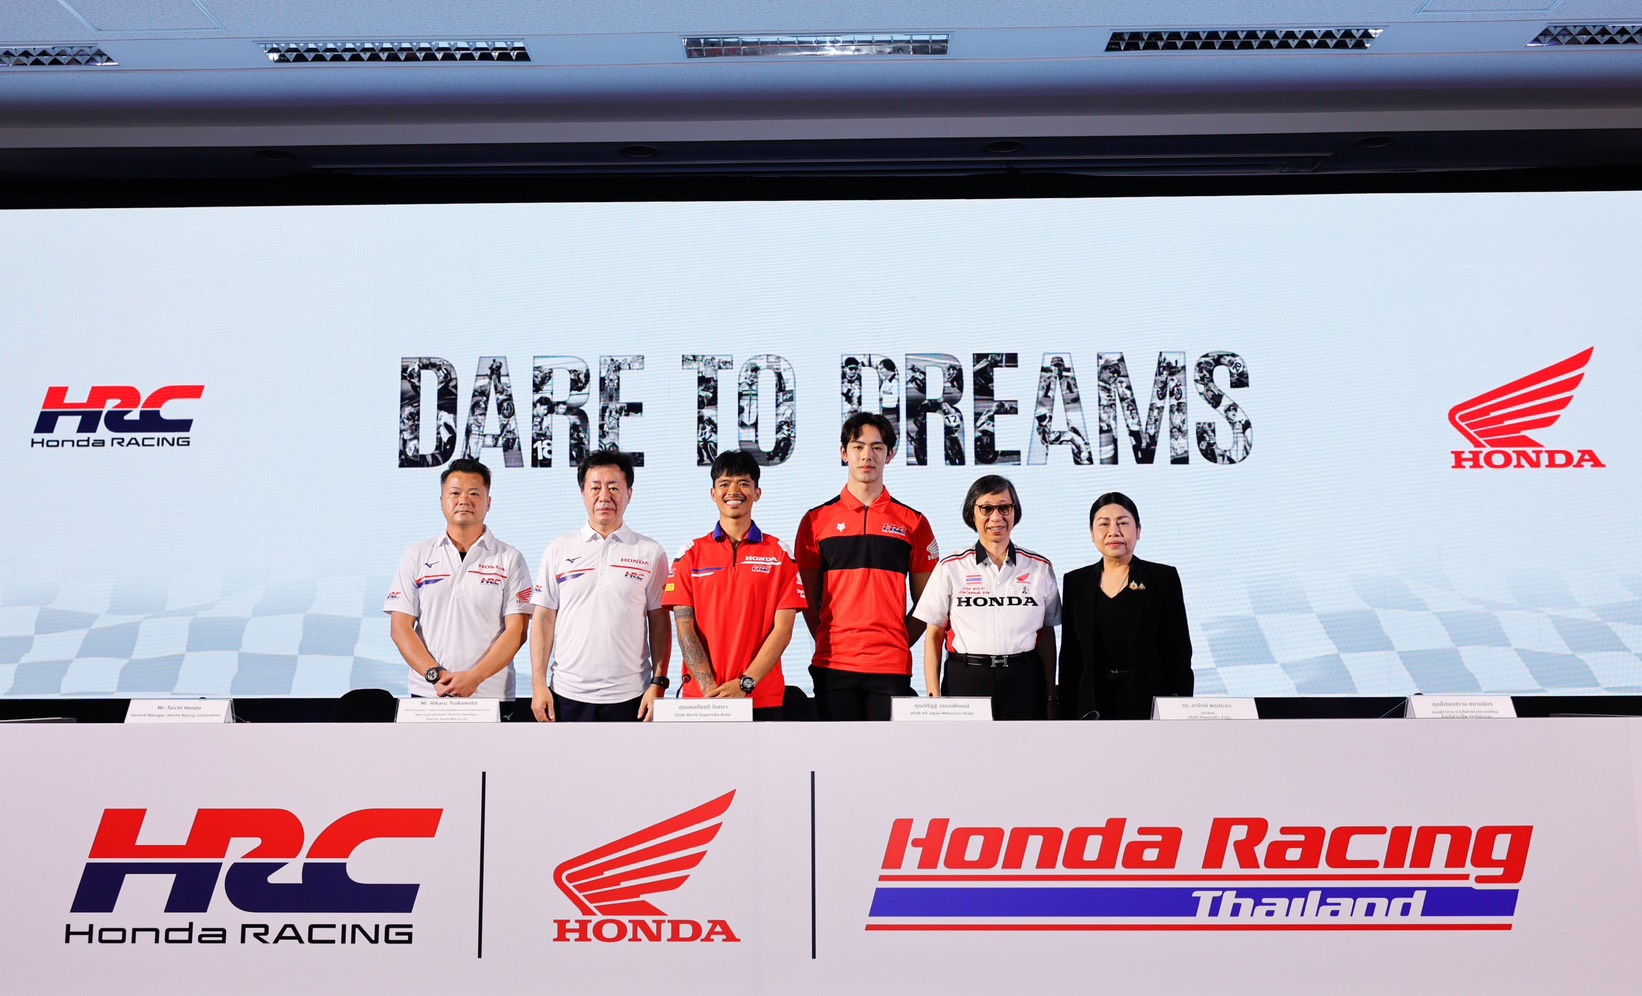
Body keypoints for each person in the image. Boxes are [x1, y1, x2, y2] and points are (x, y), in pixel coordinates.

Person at [795, 412, 938, 720]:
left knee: (886, 752)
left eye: (877, 447)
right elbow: (807, 599)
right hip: (833, 664)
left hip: (890, 665)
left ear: (890, 455)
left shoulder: (913, 522)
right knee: (837, 751)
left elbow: (929, 603)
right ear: (844, 452)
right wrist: (830, 641)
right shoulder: (815, 521)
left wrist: (898, 641)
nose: (866, 456)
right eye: (858, 447)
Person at [663, 451, 807, 720]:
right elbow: (684, 628)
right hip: (703, 699)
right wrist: (710, 690)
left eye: (743, 483)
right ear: (713, 493)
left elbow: (783, 630)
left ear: (757, 493)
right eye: (725, 483)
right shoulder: (690, 554)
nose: (733, 491)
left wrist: (745, 684)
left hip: (761, 698)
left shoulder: (779, 554)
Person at [529, 450, 671, 722]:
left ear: (629, 494)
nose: (604, 496)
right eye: (595, 487)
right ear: (583, 493)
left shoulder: (650, 551)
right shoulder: (559, 549)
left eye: (614, 487)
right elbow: (543, 619)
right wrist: (538, 684)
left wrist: (659, 683)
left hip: (632, 695)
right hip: (567, 694)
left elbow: (659, 622)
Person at [913, 474, 1060, 720]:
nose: (996, 517)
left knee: (1026, 745)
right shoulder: (951, 567)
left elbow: (1047, 636)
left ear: (1015, 511)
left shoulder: (1040, 567)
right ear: (972, 514)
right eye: (986, 509)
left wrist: (1050, 696)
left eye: (1004, 508)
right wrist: (933, 698)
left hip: (1024, 680)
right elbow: (934, 635)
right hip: (967, 679)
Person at [384, 458, 533, 699]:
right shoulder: (416, 555)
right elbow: (400, 628)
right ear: (442, 501)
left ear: (488, 503)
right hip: (430, 693)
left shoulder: (510, 558)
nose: (464, 500)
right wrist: (435, 675)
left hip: (490, 695)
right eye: (455, 493)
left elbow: (517, 631)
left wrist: (475, 678)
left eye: (474, 493)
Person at [1057, 491, 1192, 720]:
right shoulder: (1076, 582)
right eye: (1104, 524)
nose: (1114, 532)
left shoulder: (1162, 578)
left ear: (1138, 530)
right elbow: (1070, 656)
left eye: (1123, 523)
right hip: (1091, 704)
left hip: (1148, 702)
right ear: (1092, 533)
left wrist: (1181, 709)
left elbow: (1179, 651)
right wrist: (1065, 713)